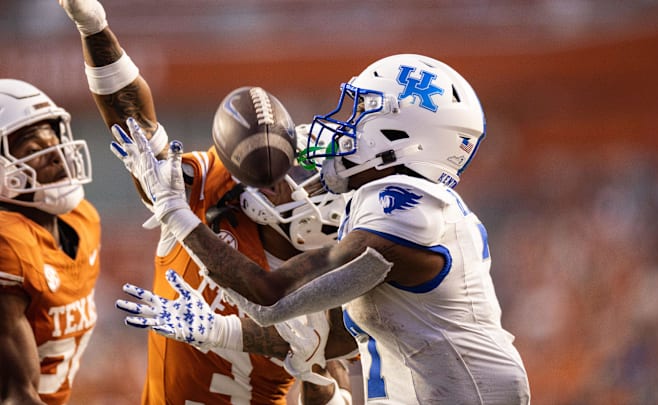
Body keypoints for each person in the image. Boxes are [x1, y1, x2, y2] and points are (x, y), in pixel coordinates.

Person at [119, 53, 532, 404]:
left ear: (399, 137)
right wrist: (216, 330)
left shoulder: (404, 205)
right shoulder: (391, 210)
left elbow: (272, 297)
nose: (346, 127)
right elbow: (318, 341)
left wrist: (175, 210)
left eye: (363, 113)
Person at [58, 1, 355, 404]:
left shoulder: (341, 264)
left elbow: (325, 362)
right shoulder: (212, 188)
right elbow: (137, 131)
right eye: (302, 172)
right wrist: (95, 30)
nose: (311, 184)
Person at [0, 78, 99, 405]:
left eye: (54, 141)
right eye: (34, 151)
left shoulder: (83, 220)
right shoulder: (8, 244)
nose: (56, 156)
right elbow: (17, 396)